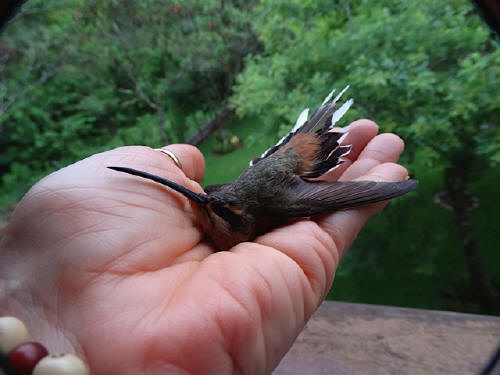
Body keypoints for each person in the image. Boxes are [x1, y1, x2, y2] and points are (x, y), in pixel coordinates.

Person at [0, 119, 410, 374]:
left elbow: (302, 203)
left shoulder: (269, 212)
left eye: (219, 214)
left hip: (281, 178)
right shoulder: (222, 206)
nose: (203, 209)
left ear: (242, 223)